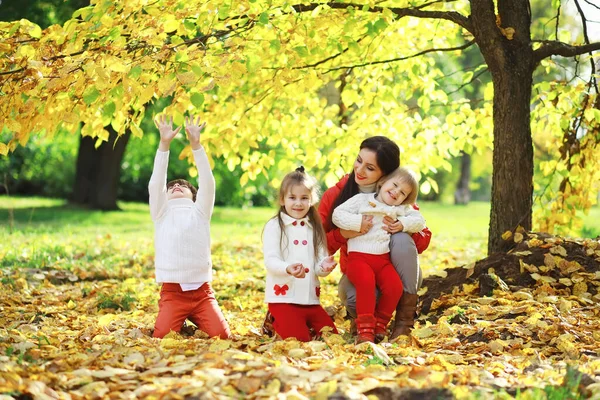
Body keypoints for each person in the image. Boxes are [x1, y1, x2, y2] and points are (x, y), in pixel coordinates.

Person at [319, 136, 431, 341]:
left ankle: (403, 322)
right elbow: (314, 242)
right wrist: (343, 233)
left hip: (393, 269)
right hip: (358, 265)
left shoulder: (397, 195)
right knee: (357, 295)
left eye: (370, 168)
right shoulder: (339, 194)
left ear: (384, 175)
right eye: (359, 160)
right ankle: (364, 324)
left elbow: (423, 237)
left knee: (402, 240)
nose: (359, 170)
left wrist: (401, 228)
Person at [149, 114, 230, 339]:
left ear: (193, 196)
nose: (176, 186)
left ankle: (196, 318)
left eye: (182, 186)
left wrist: (196, 145)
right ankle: (174, 317)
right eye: (171, 186)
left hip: (202, 292)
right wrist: (164, 144)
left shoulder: (200, 212)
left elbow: (207, 182)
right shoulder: (161, 212)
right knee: (162, 336)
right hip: (173, 292)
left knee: (222, 336)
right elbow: (157, 182)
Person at [332, 167, 426, 343]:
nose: (396, 192)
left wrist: (402, 224)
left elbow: (420, 221)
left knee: (394, 287)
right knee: (366, 282)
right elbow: (337, 214)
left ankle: (380, 324)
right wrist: (357, 222)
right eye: (395, 185)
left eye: (402, 193)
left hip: (382, 260)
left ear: (405, 199)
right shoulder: (361, 200)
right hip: (358, 259)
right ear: (382, 182)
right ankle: (365, 330)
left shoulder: (398, 209)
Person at [262, 166, 338, 342]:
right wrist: (288, 268)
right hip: (284, 299)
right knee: (300, 341)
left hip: (310, 300)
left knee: (331, 338)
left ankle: (298, 323)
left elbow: (319, 266)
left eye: (304, 198)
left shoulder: (314, 228)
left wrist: (324, 267)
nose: (298, 203)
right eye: (292, 198)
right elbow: (271, 260)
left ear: (312, 200)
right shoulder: (275, 226)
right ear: (282, 199)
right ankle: (276, 320)